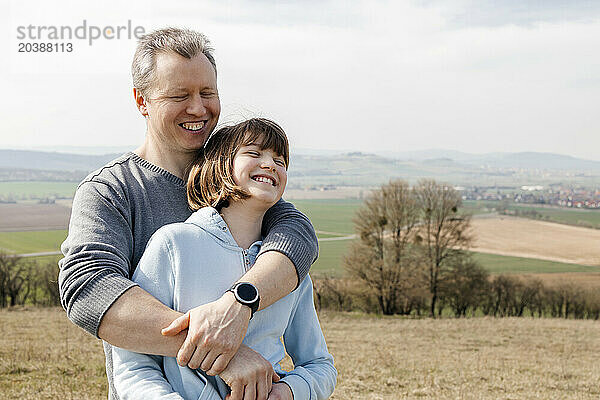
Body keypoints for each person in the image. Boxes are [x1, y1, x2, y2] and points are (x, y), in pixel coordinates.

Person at [58, 28, 318, 400]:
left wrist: (238, 304)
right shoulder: (111, 190)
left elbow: (297, 235)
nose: (198, 108)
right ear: (141, 100)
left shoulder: (232, 176)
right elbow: (89, 290)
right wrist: (220, 350)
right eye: (179, 95)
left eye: (207, 93)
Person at [112, 118, 337, 400]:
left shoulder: (288, 270)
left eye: (280, 160)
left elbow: (320, 365)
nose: (270, 165)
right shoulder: (174, 244)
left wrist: (287, 392)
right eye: (254, 154)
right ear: (221, 166)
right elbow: (134, 368)